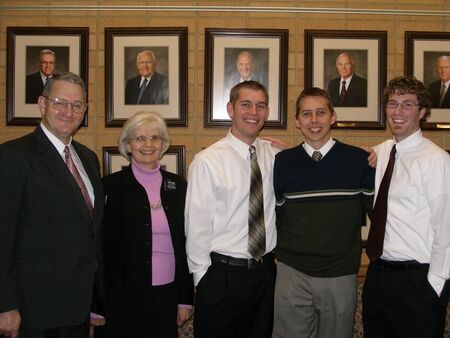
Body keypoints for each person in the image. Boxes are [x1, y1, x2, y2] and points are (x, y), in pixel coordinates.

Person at [0, 72, 105, 338]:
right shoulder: (13, 156)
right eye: (60, 102)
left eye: (77, 105)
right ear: (42, 104)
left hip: (78, 309)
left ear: (85, 110)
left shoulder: (88, 158)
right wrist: (5, 305)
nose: (68, 111)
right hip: (33, 311)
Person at [272, 87, 375, 338]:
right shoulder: (282, 162)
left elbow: (378, 215)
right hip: (292, 273)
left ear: (333, 116)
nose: (314, 120)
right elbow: (277, 218)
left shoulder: (359, 161)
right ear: (297, 121)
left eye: (321, 112)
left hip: (340, 274)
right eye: (306, 114)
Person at [185, 80, 278, 338]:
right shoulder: (208, 161)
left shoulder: (273, 155)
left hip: (265, 273)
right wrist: (203, 281)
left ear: (267, 112)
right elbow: (196, 227)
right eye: (245, 104)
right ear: (230, 108)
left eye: (261, 106)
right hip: (222, 276)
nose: (254, 112)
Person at [362, 76, 450, 337]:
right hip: (378, 275)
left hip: (417, 281)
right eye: (392, 104)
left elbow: (446, 229)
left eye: (408, 105)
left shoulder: (437, 160)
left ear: (422, 112)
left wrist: (434, 286)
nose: (398, 112)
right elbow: (342, 157)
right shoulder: (385, 151)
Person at [102, 111, 193, 338]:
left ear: (163, 144)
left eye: (154, 138)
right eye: (140, 138)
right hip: (121, 296)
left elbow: (187, 246)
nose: (148, 144)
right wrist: (97, 303)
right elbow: (100, 249)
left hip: (167, 294)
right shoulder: (109, 187)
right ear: (127, 144)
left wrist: (185, 299)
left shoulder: (179, 187)